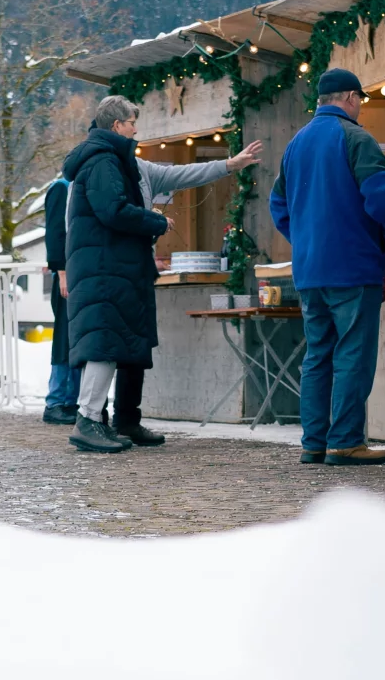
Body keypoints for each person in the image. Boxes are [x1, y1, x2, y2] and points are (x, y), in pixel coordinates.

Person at [60, 97, 260, 453]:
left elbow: (179, 175)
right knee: (104, 344)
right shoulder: (103, 162)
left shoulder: (126, 163)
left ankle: (122, 420)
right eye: (131, 122)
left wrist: (229, 165)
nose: (136, 129)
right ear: (117, 126)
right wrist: (155, 221)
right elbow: (113, 211)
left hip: (121, 268)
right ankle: (88, 421)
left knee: (124, 344)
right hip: (105, 270)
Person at [267, 67, 385, 465]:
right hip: (352, 268)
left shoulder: (295, 144)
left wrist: (307, 240)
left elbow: (279, 206)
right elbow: (383, 199)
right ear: (350, 98)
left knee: (317, 355)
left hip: (310, 271)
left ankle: (314, 442)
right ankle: (345, 442)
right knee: (352, 355)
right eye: (360, 100)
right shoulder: (356, 138)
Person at [40, 170, 78, 425]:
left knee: (75, 338)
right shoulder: (61, 187)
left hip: (80, 274)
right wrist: (62, 272)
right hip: (67, 276)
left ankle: (71, 400)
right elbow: (55, 233)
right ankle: (56, 402)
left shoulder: (80, 187)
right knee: (65, 338)